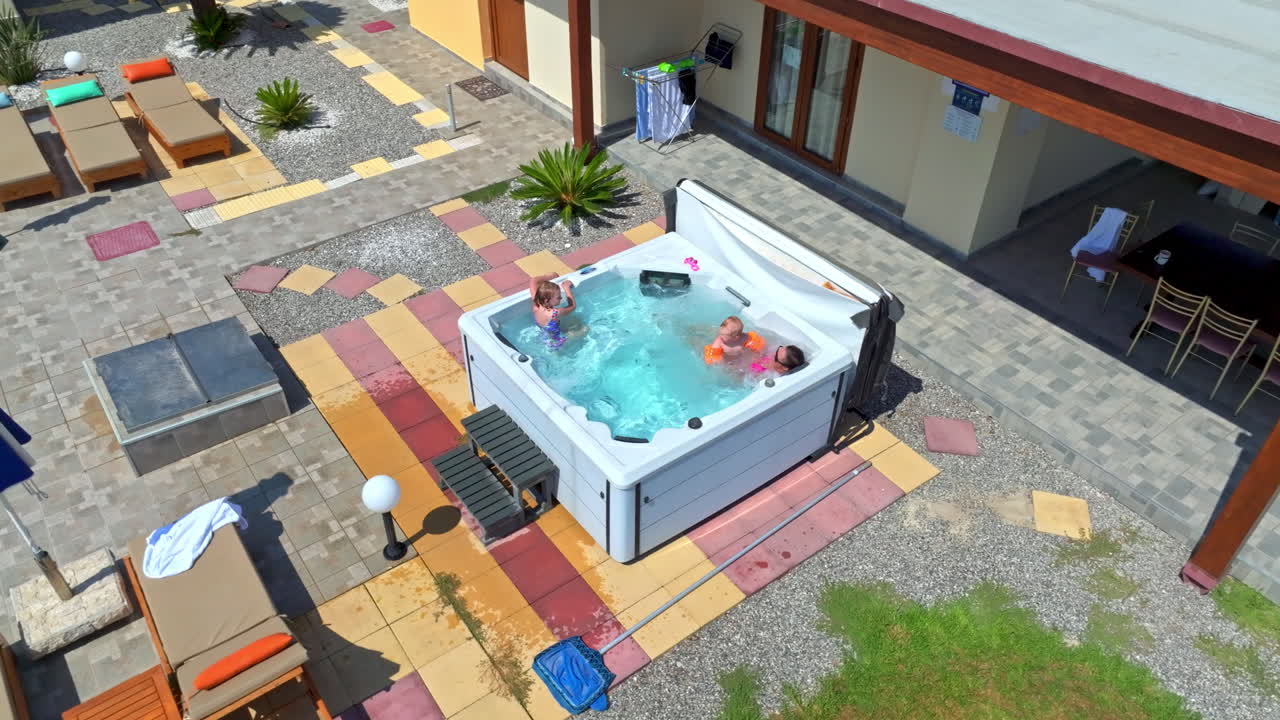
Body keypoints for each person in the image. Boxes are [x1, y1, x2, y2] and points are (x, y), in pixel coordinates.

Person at [529, 274, 576, 348]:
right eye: (558, 297)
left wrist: (553, 275)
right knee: (584, 329)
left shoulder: (536, 303)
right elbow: (572, 306)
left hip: (544, 337)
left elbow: (533, 280)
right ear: (547, 300)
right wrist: (567, 288)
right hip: (557, 342)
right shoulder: (555, 313)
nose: (561, 298)